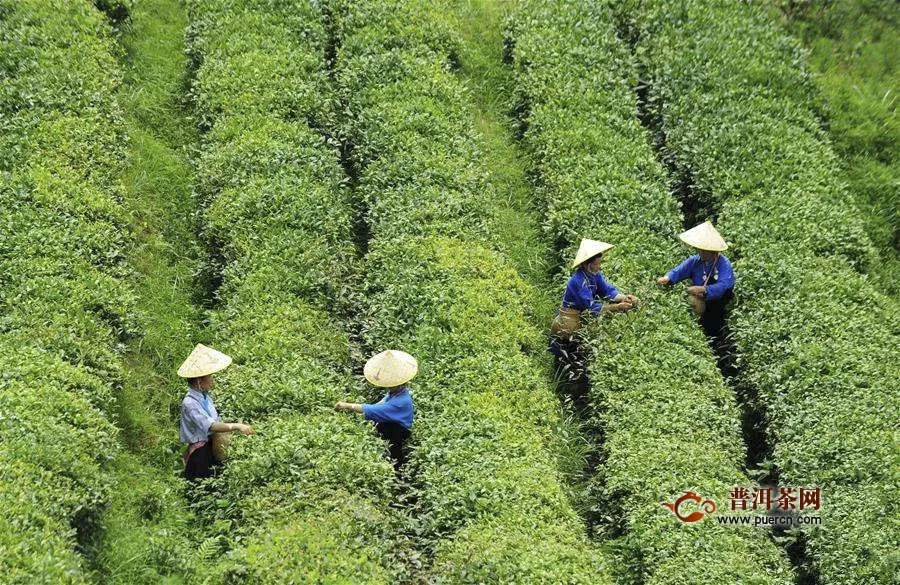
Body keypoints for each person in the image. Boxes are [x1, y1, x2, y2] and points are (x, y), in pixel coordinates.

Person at [549, 238, 638, 383]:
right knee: (565, 358)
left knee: (577, 359)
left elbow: (607, 291)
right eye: (597, 264)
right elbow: (591, 307)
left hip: (581, 320)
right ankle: (560, 385)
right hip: (568, 324)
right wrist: (616, 308)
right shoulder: (578, 281)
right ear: (587, 264)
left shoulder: (594, 275)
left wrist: (625, 297)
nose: (599, 267)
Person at [178, 343, 253, 482]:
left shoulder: (205, 397)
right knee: (202, 487)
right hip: (200, 455)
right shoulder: (190, 403)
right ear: (200, 381)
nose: (212, 380)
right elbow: (211, 426)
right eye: (209, 377)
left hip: (210, 446)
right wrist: (236, 426)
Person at [335, 350, 416, 471]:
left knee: (395, 457)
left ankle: (398, 473)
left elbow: (373, 409)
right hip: (390, 427)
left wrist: (347, 406)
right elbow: (378, 405)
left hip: (398, 432)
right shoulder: (395, 393)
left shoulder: (401, 401)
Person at [657, 221, 735, 339]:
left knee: (714, 325)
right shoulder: (695, 261)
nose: (701, 252)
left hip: (718, 304)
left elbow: (725, 285)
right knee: (694, 303)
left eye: (705, 250)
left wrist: (704, 289)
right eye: (700, 249)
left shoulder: (723, 263)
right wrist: (667, 278)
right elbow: (679, 271)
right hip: (702, 302)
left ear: (713, 250)